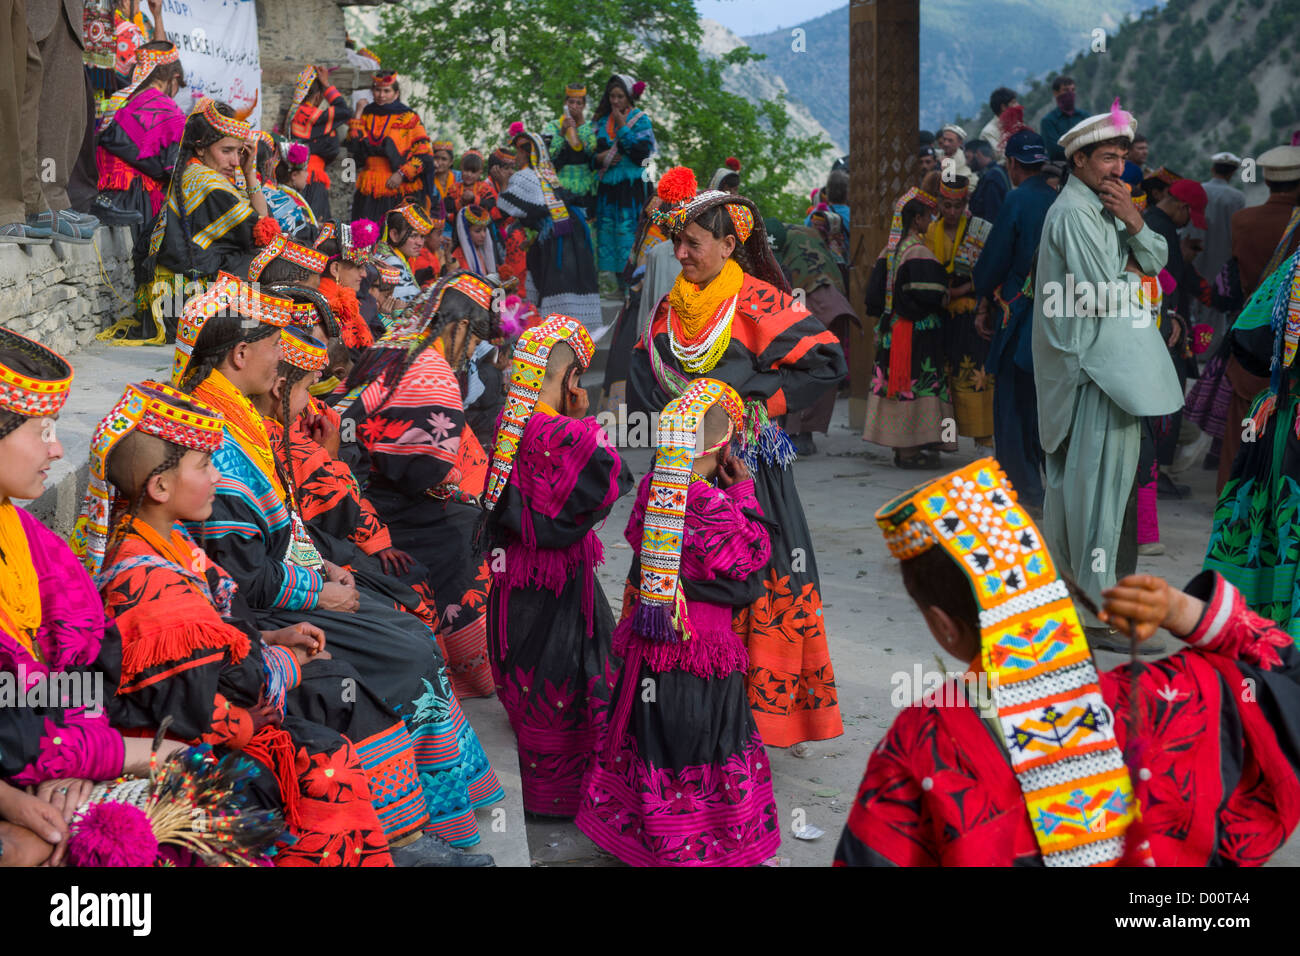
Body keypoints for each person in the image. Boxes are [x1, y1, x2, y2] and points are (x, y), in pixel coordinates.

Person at [173, 274, 504, 851]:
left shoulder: (237, 420)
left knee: (403, 614)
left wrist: (326, 571)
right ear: (241, 354)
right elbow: (236, 568)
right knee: (405, 645)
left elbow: (281, 526)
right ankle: (400, 828)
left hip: (291, 575)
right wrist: (318, 589)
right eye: (276, 347)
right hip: (250, 610)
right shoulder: (214, 438)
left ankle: (438, 812)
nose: (282, 363)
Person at [835, 457, 1300, 867]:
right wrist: (1184, 612)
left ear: (942, 625)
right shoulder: (1169, 699)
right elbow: (1283, 672)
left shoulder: (922, 741)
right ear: (1047, 585)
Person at [82, 381, 426, 867]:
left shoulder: (169, 540)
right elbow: (201, 704)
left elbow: (219, 635)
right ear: (160, 487)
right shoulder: (148, 581)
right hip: (197, 741)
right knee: (326, 735)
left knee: (339, 682)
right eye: (203, 467)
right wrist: (285, 663)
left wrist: (269, 637)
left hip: (230, 694)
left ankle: (395, 839)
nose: (217, 482)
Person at [628, 168, 846, 748]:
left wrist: (754, 407)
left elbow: (827, 363)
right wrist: (679, 420)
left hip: (745, 472)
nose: (680, 254)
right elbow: (643, 373)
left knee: (754, 574)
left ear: (729, 246)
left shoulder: (758, 302)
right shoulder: (672, 308)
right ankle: (685, 699)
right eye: (676, 243)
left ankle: (757, 716)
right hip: (680, 470)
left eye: (692, 244)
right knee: (676, 585)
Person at [0, 330, 203, 867]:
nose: (57, 447)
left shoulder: (30, 539)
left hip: (52, 754)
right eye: (41, 431)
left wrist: (80, 756)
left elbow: (83, 666)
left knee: (200, 779)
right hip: (19, 768)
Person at [576, 379, 780, 866]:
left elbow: (633, 532)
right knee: (705, 741)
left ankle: (647, 837)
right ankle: (697, 844)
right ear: (723, 445)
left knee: (653, 740)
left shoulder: (653, 488)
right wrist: (746, 493)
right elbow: (756, 555)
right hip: (704, 650)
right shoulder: (711, 505)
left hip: (653, 647)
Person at [1032, 102, 1182, 648]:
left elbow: (1156, 260)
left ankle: (1098, 602)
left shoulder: (1105, 208)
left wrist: (1137, 225)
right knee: (1092, 496)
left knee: (1106, 494)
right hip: (1090, 372)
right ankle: (1094, 615)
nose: (1118, 168)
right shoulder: (1074, 214)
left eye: (1122, 157)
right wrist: (1140, 283)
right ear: (1078, 160)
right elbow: (1103, 294)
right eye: (1107, 157)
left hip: (1112, 366)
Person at [481, 316, 631, 816]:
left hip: (511, 582)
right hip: (559, 581)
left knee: (527, 677)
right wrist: (587, 423)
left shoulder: (508, 423)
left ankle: (537, 788)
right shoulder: (570, 434)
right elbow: (613, 479)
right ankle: (571, 797)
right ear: (571, 380)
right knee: (570, 677)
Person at [335, 273, 500, 701]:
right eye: (474, 335)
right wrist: (450, 484)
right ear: (461, 326)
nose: (472, 349)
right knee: (471, 535)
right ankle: (468, 669)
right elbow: (423, 470)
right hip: (384, 502)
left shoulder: (399, 346)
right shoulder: (434, 372)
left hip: (358, 481)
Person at [1205, 251, 1300, 638]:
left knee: (1275, 530)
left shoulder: (1293, 264)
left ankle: (1266, 634)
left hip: (1284, 416)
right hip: (1288, 422)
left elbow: (1246, 334)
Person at [972, 129, 1055, 510]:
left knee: (1011, 405)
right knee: (1044, 404)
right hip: (1060, 319)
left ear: (1014, 165)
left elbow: (993, 261)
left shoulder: (1017, 200)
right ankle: (1050, 490)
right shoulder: (1059, 200)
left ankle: (1023, 491)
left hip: (1020, 314)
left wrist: (983, 292)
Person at [1214, 145, 1300, 493]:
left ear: (1266, 179)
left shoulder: (1242, 221)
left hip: (1252, 336)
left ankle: (1232, 502)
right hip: (1293, 344)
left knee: (1242, 425)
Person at [862, 180, 951, 468]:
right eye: (927, 216)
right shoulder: (919, 253)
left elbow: (873, 298)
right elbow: (933, 295)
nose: (930, 221)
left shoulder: (887, 252)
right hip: (916, 334)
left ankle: (903, 450)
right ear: (917, 219)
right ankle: (912, 451)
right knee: (917, 386)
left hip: (890, 333)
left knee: (896, 388)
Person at [147, 99, 273, 289]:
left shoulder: (198, 174)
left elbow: (263, 223)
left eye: (239, 152)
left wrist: (249, 174)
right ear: (200, 148)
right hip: (184, 296)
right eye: (226, 151)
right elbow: (263, 235)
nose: (236, 162)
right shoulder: (208, 185)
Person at [498, 125, 602, 332]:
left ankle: (556, 332)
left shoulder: (524, 176)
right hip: (571, 231)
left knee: (557, 282)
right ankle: (575, 330)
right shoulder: (546, 174)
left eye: (518, 152)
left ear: (527, 153)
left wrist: (502, 183)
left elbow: (505, 206)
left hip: (558, 238)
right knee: (572, 279)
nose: (516, 157)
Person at [767, 216, 856, 456]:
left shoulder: (773, 240)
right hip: (835, 300)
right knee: (818, 366)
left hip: (811, 302)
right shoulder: (807, 234)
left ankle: (798, 434)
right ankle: (800, 433)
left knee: (800, 366)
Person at [924, 176, 994, 447]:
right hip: (940, 315)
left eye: (957, 206)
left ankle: (983, 438)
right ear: (939, 203)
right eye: (946, 205)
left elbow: (989, 270)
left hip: (970, 314)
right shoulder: (931, 232)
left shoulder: (976, 232)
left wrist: (960, 291)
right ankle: (944, 440)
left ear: (965, 204)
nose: (951, 212)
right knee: (945, 378)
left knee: (976, 376)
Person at [93, 40, 184, 239]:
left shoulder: (119, 98)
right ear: (174, 77)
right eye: (178, 86)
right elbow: (174, 168)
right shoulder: (169, 111)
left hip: (102, 194)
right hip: (139, 200)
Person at [592, 74, 656, 283]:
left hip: (631, 191)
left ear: (629, 97)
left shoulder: (640, 120)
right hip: (608, 191)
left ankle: (631, 285)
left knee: (628, 235)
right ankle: (616, 285)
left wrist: (623, 127)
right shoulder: (601, 122)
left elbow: (642, 155)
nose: (615, 101)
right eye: (612, 96)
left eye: (620, 96)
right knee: (608, 235)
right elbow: (590, 156)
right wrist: (601, 158)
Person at [345, 70, 432, 223]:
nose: (381, 95)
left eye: (387, 91)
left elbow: (424, 154)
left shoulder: (409, 118)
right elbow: (353, 146)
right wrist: (358, 114)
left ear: (396, 93)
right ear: (372, 91)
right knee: (365, 233)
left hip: (398, 186)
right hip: (369, 185)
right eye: (377, 90)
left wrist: (402, 173)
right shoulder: (366, 115)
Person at [283, 65, 353, 224]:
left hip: (293, 176)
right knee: (316, 224)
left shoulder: (292, 114)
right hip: (312, 177)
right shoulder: (315, 116)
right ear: (318, 96)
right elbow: (344, 111)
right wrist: (328, 86)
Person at [314, 218, 381, 353]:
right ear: (335, 269)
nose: (364, 274)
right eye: (358, 267)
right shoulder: (335, 307)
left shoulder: (324, 298)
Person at [542, 83, 598, 221]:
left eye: (579, 103)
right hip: (562, 186)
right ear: (565, 103)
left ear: (584, 106)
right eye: (571, 102)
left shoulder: (589, 127)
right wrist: (562, 132)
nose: (574, 106)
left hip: (585, 187)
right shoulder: (553, 126)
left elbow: (592, 150)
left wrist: (581, 124)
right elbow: (551, 155)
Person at [376, 202, 433, 303]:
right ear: (394, 235)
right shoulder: (392, 263)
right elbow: (408, 306)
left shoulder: (392, 257)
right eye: (413, 236)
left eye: (422, 237)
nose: (420, 243)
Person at [1040, 75, 1087, 164]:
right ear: (1055, 93)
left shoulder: (1084, 117)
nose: (1070, 93)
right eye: (1065, 90)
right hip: (1060, 168)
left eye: (1072, 90)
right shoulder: (1048, 121)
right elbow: (1055, 151)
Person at [967, 139, 1009, 222]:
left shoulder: (992, 178)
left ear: (978, 154)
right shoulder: (992, 174)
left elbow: (992, 218)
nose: (967, 162)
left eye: (967, 157)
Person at [452, 204, 497, 275]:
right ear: (466, 233)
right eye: (477, 231)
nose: (483, 235)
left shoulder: (481, 251)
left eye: (485, 230)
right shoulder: (458, 256)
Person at [978, 87, 1018, 162]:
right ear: (1003, 107)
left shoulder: (1016, 126)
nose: (1017, 105)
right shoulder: (988, 132)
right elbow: (1002, 156)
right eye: (1013, 103)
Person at [453, 150, 497, 214]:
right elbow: (447, 205)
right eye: (466, 170)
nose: (469, 174)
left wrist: (474, 198)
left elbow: (491, 204)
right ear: (461, 169)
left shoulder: (484, 189)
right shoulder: (454, 188)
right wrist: (461, 201)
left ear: (480, 172)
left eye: (473, 172)